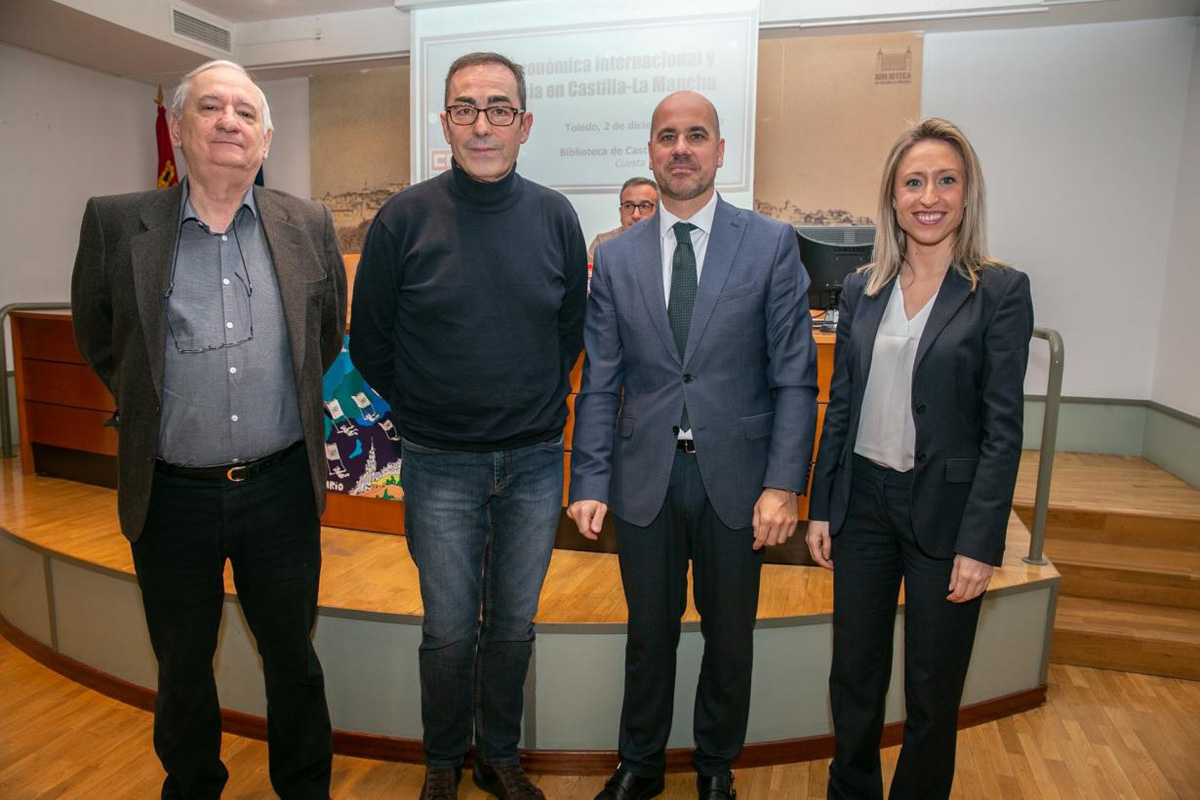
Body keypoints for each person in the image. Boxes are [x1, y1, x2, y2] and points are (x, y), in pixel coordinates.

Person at [71, 59, 346, 799]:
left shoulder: (308, 224)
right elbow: (101, 337)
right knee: (182, 667)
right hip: (170, 498)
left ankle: (305, 789)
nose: (230, 122)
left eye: (246, 113)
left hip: (281, 493)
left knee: (293, 659)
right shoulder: (115, 222)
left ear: (266, 139)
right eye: (211, 108)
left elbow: (323, 337)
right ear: (179, 128)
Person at [349, 52, 587, 800]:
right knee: (448, 631)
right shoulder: (402, 218)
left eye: (498, 109)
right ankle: (444, 760)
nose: (482, 125)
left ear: (525, 123)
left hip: (535, 461)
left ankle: (500, 758)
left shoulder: (556, 216)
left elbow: (569, 331)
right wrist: (430, 406)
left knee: (513, 626)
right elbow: (371, 341)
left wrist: (524, 397)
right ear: (445, 122)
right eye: (465, 108)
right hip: (439, 462)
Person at [568, 91, 818, 800]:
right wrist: (589, 479)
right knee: (648, 635)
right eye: (668, 136)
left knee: (730, 636)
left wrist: (783, 484)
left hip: (738, 480)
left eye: (697, 135)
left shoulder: (769, 243)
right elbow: (600, 382)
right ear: (651, 151)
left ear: (720, 151)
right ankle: (640, 764)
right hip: (645, 476)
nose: (681, 148)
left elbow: (795, 378)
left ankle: (715, 766)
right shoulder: (616, 258)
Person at [805, 118, 1034, 800]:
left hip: (946, 511)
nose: (928, 196)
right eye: (913, 182)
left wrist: (981, 542)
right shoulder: (862, 288)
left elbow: (1003, 430)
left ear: (967, 194)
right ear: (893, 196)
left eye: (945, 180)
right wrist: (823, 506)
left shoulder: (1000, 290)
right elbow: (841, 406)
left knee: (934, 689)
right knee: (854, 675)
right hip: (864, 506)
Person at [587, 177, 659, 261]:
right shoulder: (602, 243)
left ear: (658, 212)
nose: (635, 215)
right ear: (621, 212)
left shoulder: (667, 242)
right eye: (628, 206)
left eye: (645, 206)